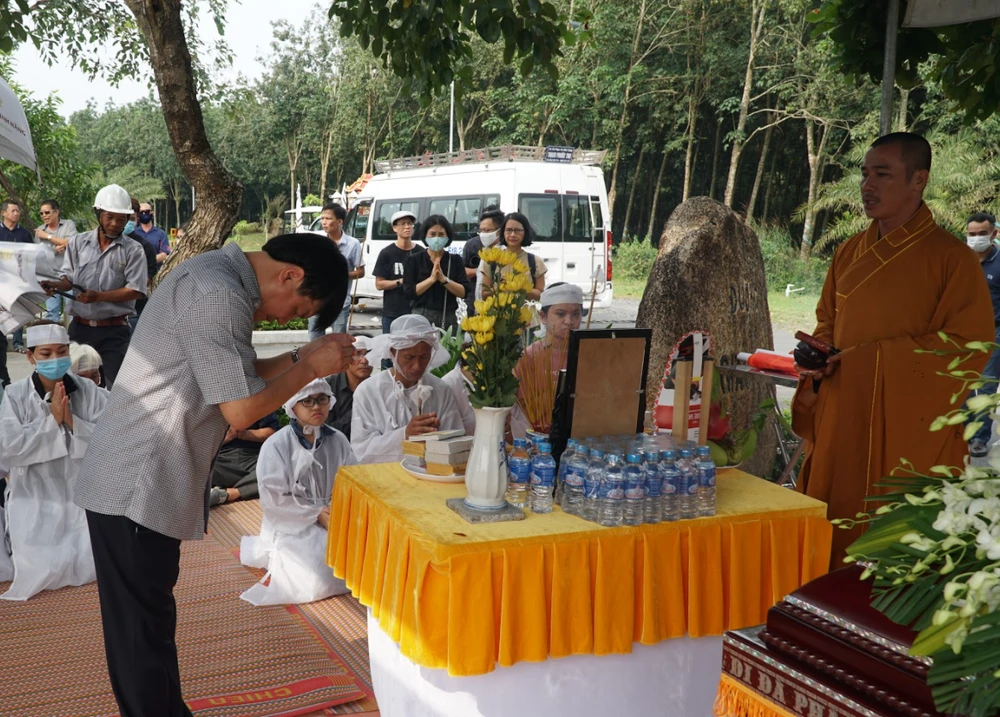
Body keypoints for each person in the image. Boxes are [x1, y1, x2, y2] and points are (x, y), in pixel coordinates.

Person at [72, 232, 357, 717]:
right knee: (140, 631)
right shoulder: (220, 294)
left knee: (148, 621)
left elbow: (239, 374)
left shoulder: (213, 276)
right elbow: (242, 409)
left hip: (138, 477)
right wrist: (310, 367)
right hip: (138, 481)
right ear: (290, 275)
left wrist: (301, 358)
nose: (282, 320)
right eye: (295, 309)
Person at [791, 132, 994, 565]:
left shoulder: (952, 259)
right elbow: (828, 320)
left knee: (896, 549)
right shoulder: (848, 252)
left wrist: (872, 361)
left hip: (908, 428)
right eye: (865, 174)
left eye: (882, 175)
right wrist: (819, 352)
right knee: (830, 533)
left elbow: (967, 347)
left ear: (919, 179)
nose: (867, 185)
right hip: (842, 414)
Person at [0, 322, 108, 601]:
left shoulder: (88, 390)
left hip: (82, 488)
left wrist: (71, 421)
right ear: (30, 356)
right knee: (43, 567)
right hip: (34, 490)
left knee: (90, 562)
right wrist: (52, 421)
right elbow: (9, 449)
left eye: (61, 352)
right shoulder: (15, 395)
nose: (55, 359)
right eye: (46, 353)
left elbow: (111, 438)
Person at [239, 379, 355, 605]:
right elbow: (274, 500)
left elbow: (352, 480)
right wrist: (315, 514)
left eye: (322, 399)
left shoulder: (338, 439)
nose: (316, 406)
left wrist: (336, 510)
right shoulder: (277, 445)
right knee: (317, 572)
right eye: (307, 401)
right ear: (293, 405)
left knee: (364, 554)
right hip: (293, 520)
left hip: (334, 514)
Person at [40, 184, 148, 389]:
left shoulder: (134, 250)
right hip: (79, 330)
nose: (115, 224)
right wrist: (55, 285)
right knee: (75, 388)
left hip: (114, 332)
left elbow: (136, 290)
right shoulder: (78, 243)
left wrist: (98, 296)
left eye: (121, 219)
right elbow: (68, 278)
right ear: (98, 214)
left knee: (116, 390)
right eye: (109, 217)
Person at [352, 314, 464, 463]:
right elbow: (362, 450)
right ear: (393, 352)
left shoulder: (441, 390)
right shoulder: (368, 391)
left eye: (424, 357)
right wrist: (404, 434)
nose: (417, 366)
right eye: (409, 357)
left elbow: (455, 442)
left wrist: (437, 437)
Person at [510, 283, 585, 439]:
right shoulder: (529, 357)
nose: (569, 321)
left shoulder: (589, 354)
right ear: (543, 317)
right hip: (542, 440)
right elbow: (524, 411)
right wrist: (562, 388)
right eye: (560, 314)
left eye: (576, 314)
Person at [965, 211, 1000, 457]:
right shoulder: (960, 260)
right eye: (972, 234)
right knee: (961, 384)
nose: (976, 238)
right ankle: (965, 431)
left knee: (986, 386)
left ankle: (980, 438)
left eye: (982, 233)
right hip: (962, 332)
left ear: (993, 233)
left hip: (993, 332)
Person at [308, 203, 365, 340]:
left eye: (328, 219)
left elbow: (361, 272)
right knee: (314, 342)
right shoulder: (318, 243)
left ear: (339, 222)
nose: (324, 222)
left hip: (340, 303)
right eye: (322, 218)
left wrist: (340, 275)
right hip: (317, 301)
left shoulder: (353, 244)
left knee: (338, 341)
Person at [403, 215, 468, 331]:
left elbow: (464, 292)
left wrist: (444, 280)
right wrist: (431, 279)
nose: (437, 238)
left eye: (441, 234)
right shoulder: (413, 260)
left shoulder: (455, 260)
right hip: (421, 316)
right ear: (425, 235)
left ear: (448, 236)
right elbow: (409, 292)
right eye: (432, 234)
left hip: (447, 316)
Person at [209, 411, 280, 507]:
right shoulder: (210, 406)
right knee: (196, 465)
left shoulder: (260, 403)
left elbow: (273, 433)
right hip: (221, 459)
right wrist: (224, 438)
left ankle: (230, 493)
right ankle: (248, 487)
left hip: (253, 458)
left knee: (282, 467)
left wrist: (242, 434)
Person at [374, 210, 425, 333]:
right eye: (403, 223)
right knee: (390, 344)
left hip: (416, 312)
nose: (407, 226)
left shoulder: (421, 252)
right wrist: (400, 281)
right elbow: (379, 284)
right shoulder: (386, 253)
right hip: (392, 312)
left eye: (410, 223)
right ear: (395, 228)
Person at [482, 212, 546, 301]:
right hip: (499, 309)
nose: (512, 235)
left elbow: (541, 295)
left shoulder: (535, 261)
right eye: (508, 230)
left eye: (517, 230)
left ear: (525, 232)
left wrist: (519, 286)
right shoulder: (492, 260)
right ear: (502, 232)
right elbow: (484, 295)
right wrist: (501, 287)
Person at [35, 199, 78, 322]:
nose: (44, 216)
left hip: (69, 277)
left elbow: (71, 243)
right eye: (41, 213)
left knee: (73, 311)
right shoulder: (40, 230)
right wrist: (54, 250)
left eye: (47, 212)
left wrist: (47, 236)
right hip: (49, 277)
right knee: (51, 313)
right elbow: (37, 255)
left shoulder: (68, 225)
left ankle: (73, 335)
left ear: (56, 212)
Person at [324, 335, 372, 440]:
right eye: (357, 354)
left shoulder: (378, 388)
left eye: (369, 354)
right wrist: (360, 407)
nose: (364, 361)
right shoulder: (328, 387)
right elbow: (326, 432)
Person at [1, 200, 34, 353]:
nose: (16, 213)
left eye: (17, 211)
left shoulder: (24, 233)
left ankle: (18, 343)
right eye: (13, 211)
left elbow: (31, 255)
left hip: (18, 277)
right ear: (3, 213)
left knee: (18, 309)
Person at [125, 197, 159, 330]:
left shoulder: (145, 247)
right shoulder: (98, 244)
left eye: (131, 218)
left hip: (135, 313)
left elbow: (145, 281)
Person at [463, 206, 505, 314]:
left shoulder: (507, 252)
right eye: (481, 230)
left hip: (501, 308)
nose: (483, 234)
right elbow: (462, 271)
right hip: (475, 304)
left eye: (487, 230)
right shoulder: (473, 245)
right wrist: (478, 271)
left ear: (499, 231)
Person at [133, 201, 171, 269]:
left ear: (152, 213)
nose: (144, 214)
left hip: (155, 271)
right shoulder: (133, 232)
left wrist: (146, 261)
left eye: (147, 212)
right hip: (137, 270)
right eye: (141, 212)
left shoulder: (161, 234)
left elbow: (164, 255)